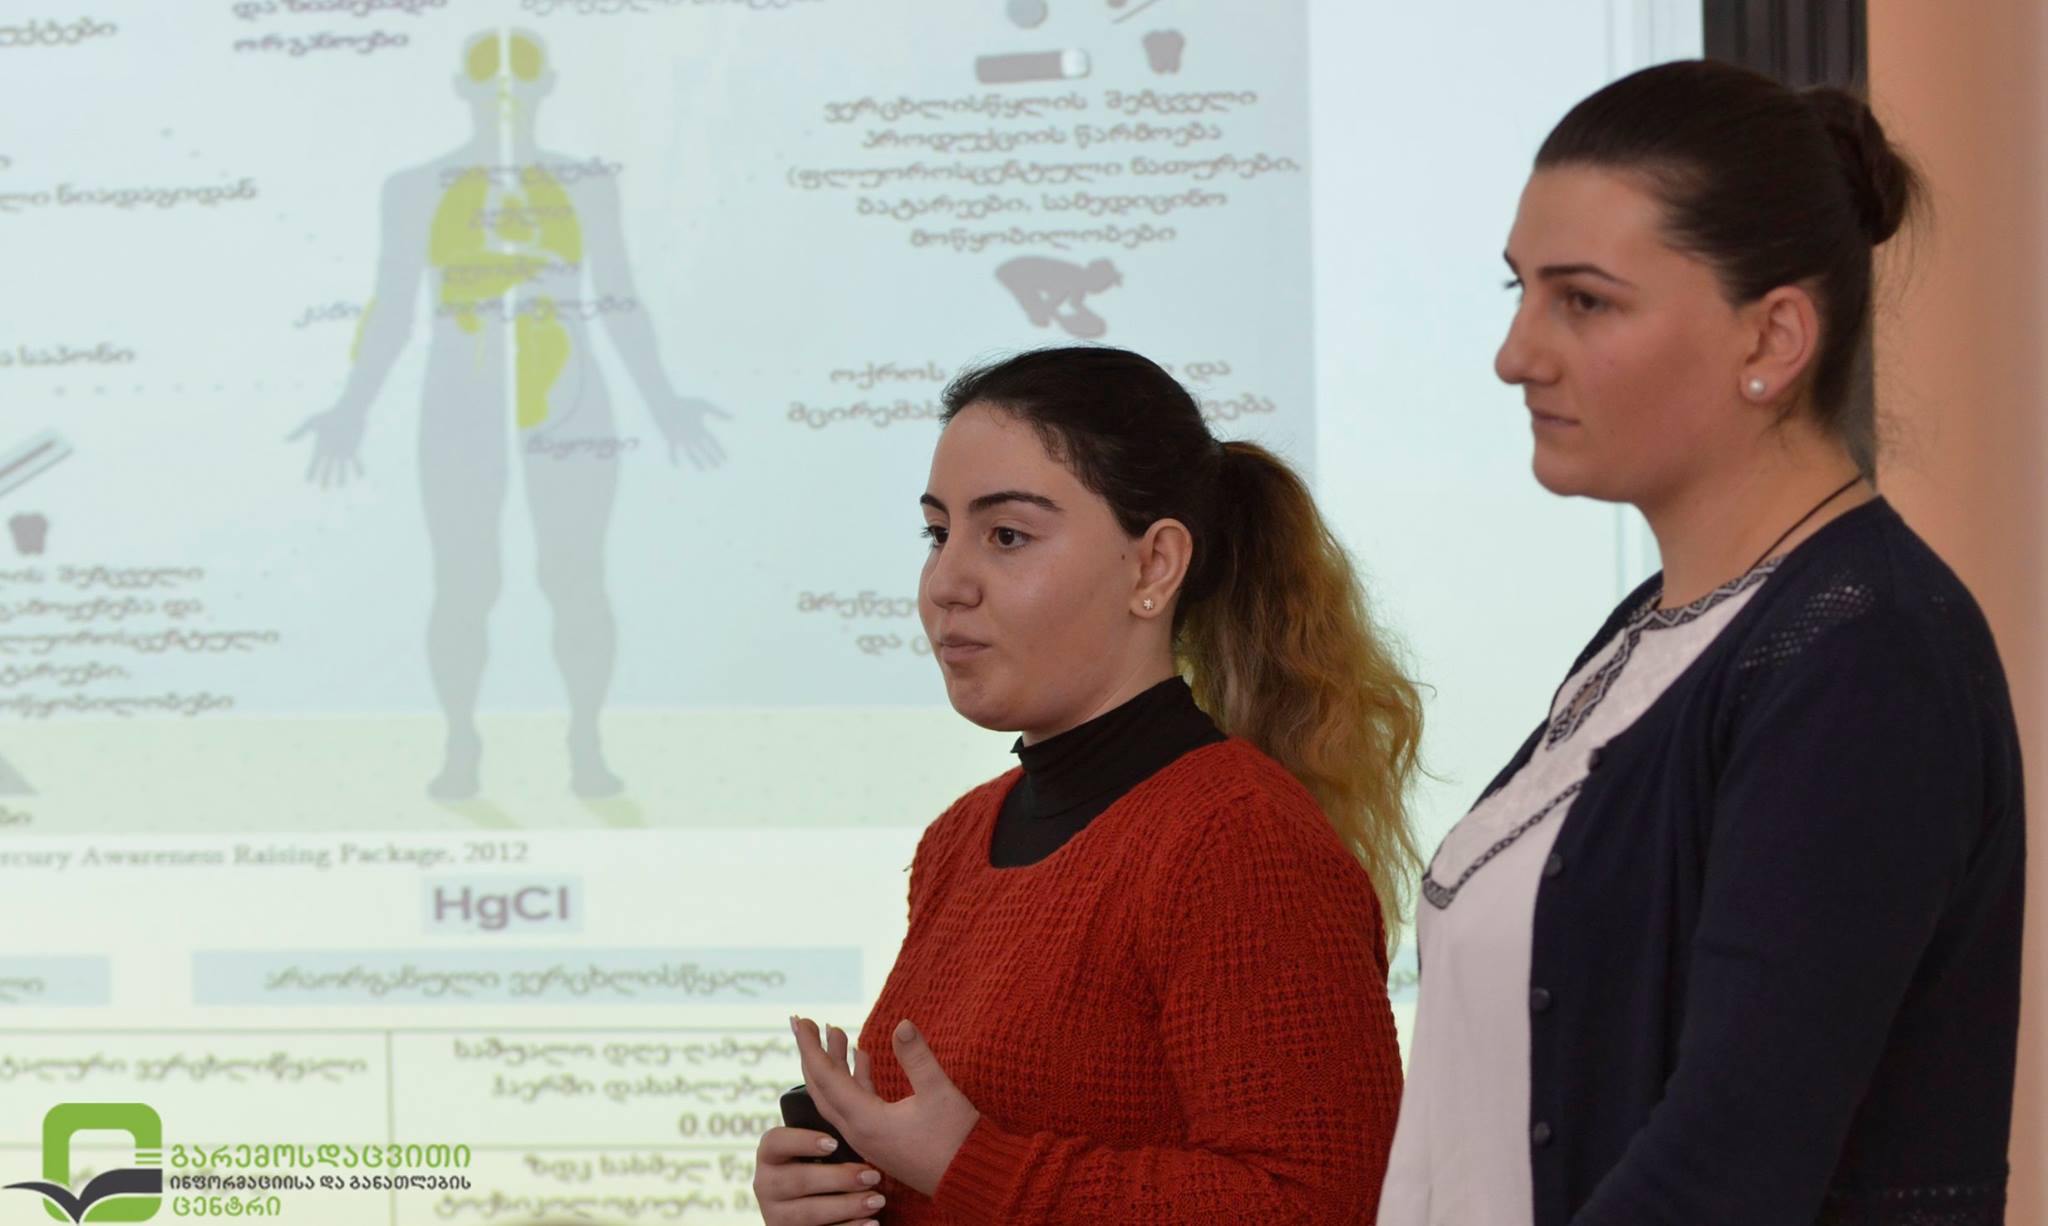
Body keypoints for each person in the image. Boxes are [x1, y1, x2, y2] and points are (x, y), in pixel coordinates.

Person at [1379, 60, 2025, 1226]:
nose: (1515, 354)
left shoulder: (1862, 655)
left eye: (1582, 301)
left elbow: (1728, 1164)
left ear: (1771, 335)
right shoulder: (1655, 629)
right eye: (1518, 289)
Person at [754, 345, 1421, 1224]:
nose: (946, 583)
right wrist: (846, 1194)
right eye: (937, 533)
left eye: (1007, 536)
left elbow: (1320, 1205)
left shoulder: (1240, 837)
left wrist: (968, 1165)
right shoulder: (960, 837)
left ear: (1153, 567)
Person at [289, 29, 727, 801]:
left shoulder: (585, 186)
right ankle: (461, 744)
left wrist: (663, 402)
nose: (501, 95)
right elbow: (391, 308)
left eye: (516, 78)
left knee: (575, 575)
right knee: (464, 580)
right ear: (461, 88)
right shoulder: (415, 189)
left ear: (544, 86)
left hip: (568, 400)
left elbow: (618, 298)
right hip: (461, 402)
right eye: (487, 79)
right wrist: (351, 407)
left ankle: (585, 745)